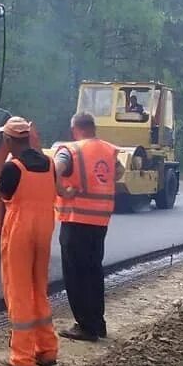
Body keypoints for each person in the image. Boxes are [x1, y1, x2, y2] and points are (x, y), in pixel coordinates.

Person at [0, 116, 59, 366]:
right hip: (45, 228)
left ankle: (21, 357)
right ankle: (47, 350)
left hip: (20, 229)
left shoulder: (13, 168)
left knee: (18, 290)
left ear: (9, 140)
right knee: (38, 288)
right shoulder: (49, 163)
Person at [54, 111, 123, 342]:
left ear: (75, 129)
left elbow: (54, 169)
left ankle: (85, 326)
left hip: (75, 221)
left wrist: (63, 191)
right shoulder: (109, 150)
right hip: (100, 221)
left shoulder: (71, 150)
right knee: (93, 272)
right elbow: (119, 173)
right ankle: (97, 322)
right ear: (93, 128)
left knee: (75, 275)